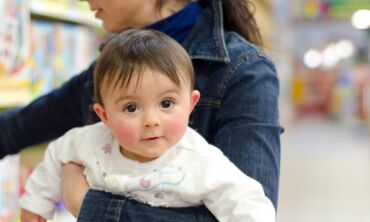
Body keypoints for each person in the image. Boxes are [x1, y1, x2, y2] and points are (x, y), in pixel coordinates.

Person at [0, 0, 283, 221]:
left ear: (191, 100)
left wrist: (86, 204)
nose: (151, 121)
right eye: (131, 107)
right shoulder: (107, 69)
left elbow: (248, 209)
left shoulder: (243, 71)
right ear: (103, 114)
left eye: (167, 103)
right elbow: (18, 128)